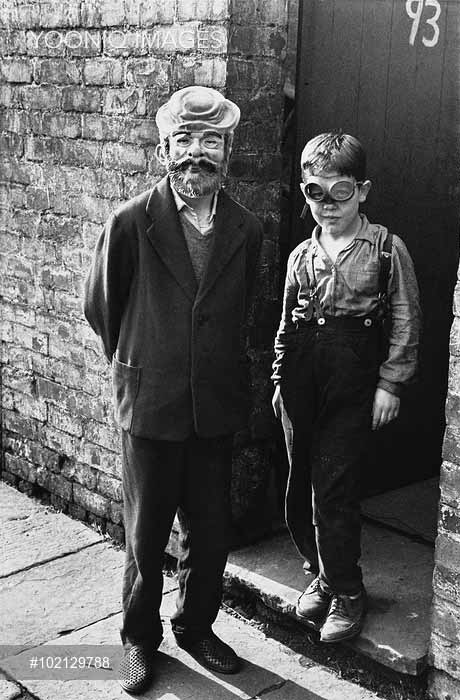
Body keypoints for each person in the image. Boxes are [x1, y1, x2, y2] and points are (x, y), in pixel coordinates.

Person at [84, 86, 263, 694]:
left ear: (227, 151)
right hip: (151, 406)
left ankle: (196, 627)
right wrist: (141, 361)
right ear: (164, 148)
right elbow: (100, 306)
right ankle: (138, 638)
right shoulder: (131, 222)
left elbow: (240, 311)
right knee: (146, 533)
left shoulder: (247, 227)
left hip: (213, 407)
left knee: (211, 532)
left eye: (210, 142)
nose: (196, 154)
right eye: (184, 141)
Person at [272, 132, 421, 643]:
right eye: (316, 193)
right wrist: (278, 379)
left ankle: (349, 592)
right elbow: (286, 325)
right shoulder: (301, 256)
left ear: (363, 191)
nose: (328, 205)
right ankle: (323, 572)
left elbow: (405, 321)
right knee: (298, 490)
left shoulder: (384, 249)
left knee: (333, 492)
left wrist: (391, 383)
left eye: (341, 193)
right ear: (305, 190)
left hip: (354, 386)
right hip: (302, 382)